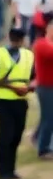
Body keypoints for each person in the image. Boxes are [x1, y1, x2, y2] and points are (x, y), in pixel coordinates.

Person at [0, 27, 36, 179]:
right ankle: (3, 172)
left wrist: (29, 87)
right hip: (3, 100)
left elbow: (34, 77)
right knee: (6, 135)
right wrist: (11, 87)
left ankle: (11, 169)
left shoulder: (28, 56)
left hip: (21, 100)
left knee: (17, 135)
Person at [33, 19, 53, 160]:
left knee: (46, 117)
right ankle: (43, 149)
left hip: (49, 86)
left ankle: (37, 138)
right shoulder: (42, 44)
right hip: (46, 87)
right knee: (49, 119)